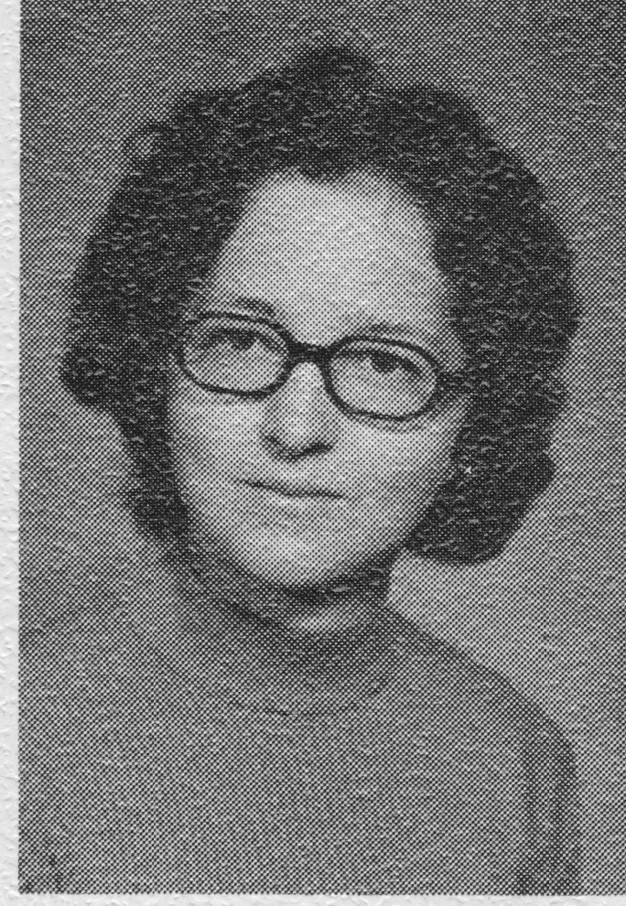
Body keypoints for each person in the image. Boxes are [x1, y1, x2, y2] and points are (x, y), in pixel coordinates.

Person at [20, 46, 581, 894]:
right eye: (242, 342)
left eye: (385, 364)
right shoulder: (26, 728)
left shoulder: (519, 761)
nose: (296, 427)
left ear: (475, 422)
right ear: (152, 367)